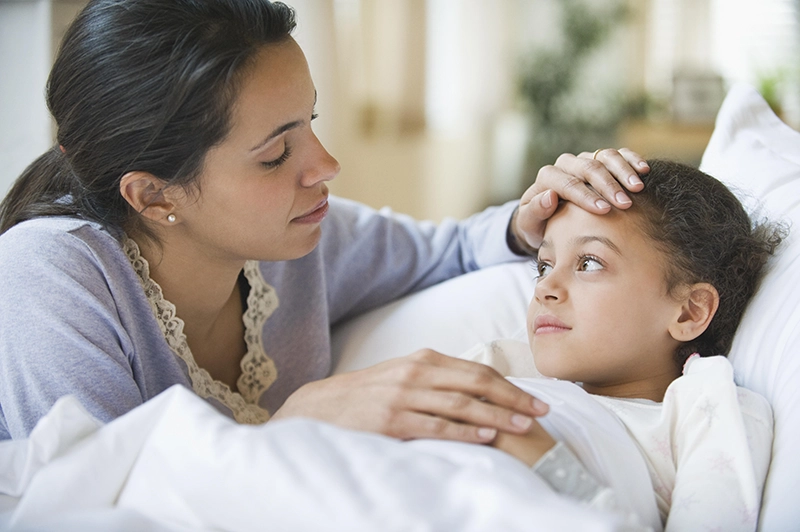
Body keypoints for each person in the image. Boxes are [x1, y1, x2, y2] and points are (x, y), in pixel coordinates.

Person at [0, 0, 648, 442]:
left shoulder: (299, 243)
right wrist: (304, 421)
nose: (326, 165)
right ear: (150, 194)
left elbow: (443, 251)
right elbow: (89, 498)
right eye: (275, 154)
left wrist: (530, 221)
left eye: (311, 123)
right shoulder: (48, 281)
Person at [461, 160, 784, 530]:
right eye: (545, 265)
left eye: (590, 263)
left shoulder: (702, 410)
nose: (544, 288)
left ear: (689, 312)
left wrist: (549, 464)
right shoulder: (502, 363)